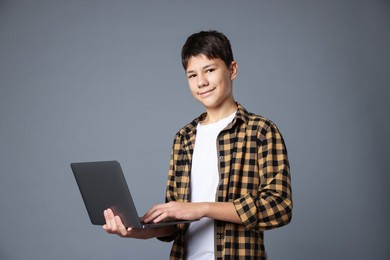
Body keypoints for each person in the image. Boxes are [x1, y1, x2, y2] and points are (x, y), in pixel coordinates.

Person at [103, 30, 292, 259]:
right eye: (192, 75)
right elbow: (176, 225)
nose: (201, 82)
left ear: (232, 70)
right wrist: (138, 231)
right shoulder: (184, 138)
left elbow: (279, 206)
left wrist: (202, 208)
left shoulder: (261, 131)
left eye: (209, 70)